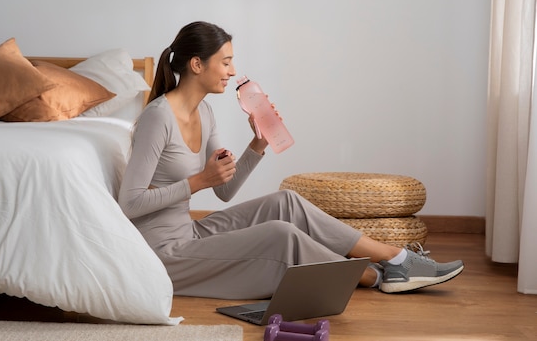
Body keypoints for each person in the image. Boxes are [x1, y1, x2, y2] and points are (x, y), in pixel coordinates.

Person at [118, 21, 464, 299]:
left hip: (189, 233)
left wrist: (258, 143)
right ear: (197, 64)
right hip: (164, 254)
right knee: (281, 235)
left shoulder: (204, 112)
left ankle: (396, 257)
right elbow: (130, 203)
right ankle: (374, 274)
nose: (231, 70)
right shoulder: (157, 117)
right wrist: (198, 181)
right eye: (225, 61)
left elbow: (224, 192)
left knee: (287, 204)